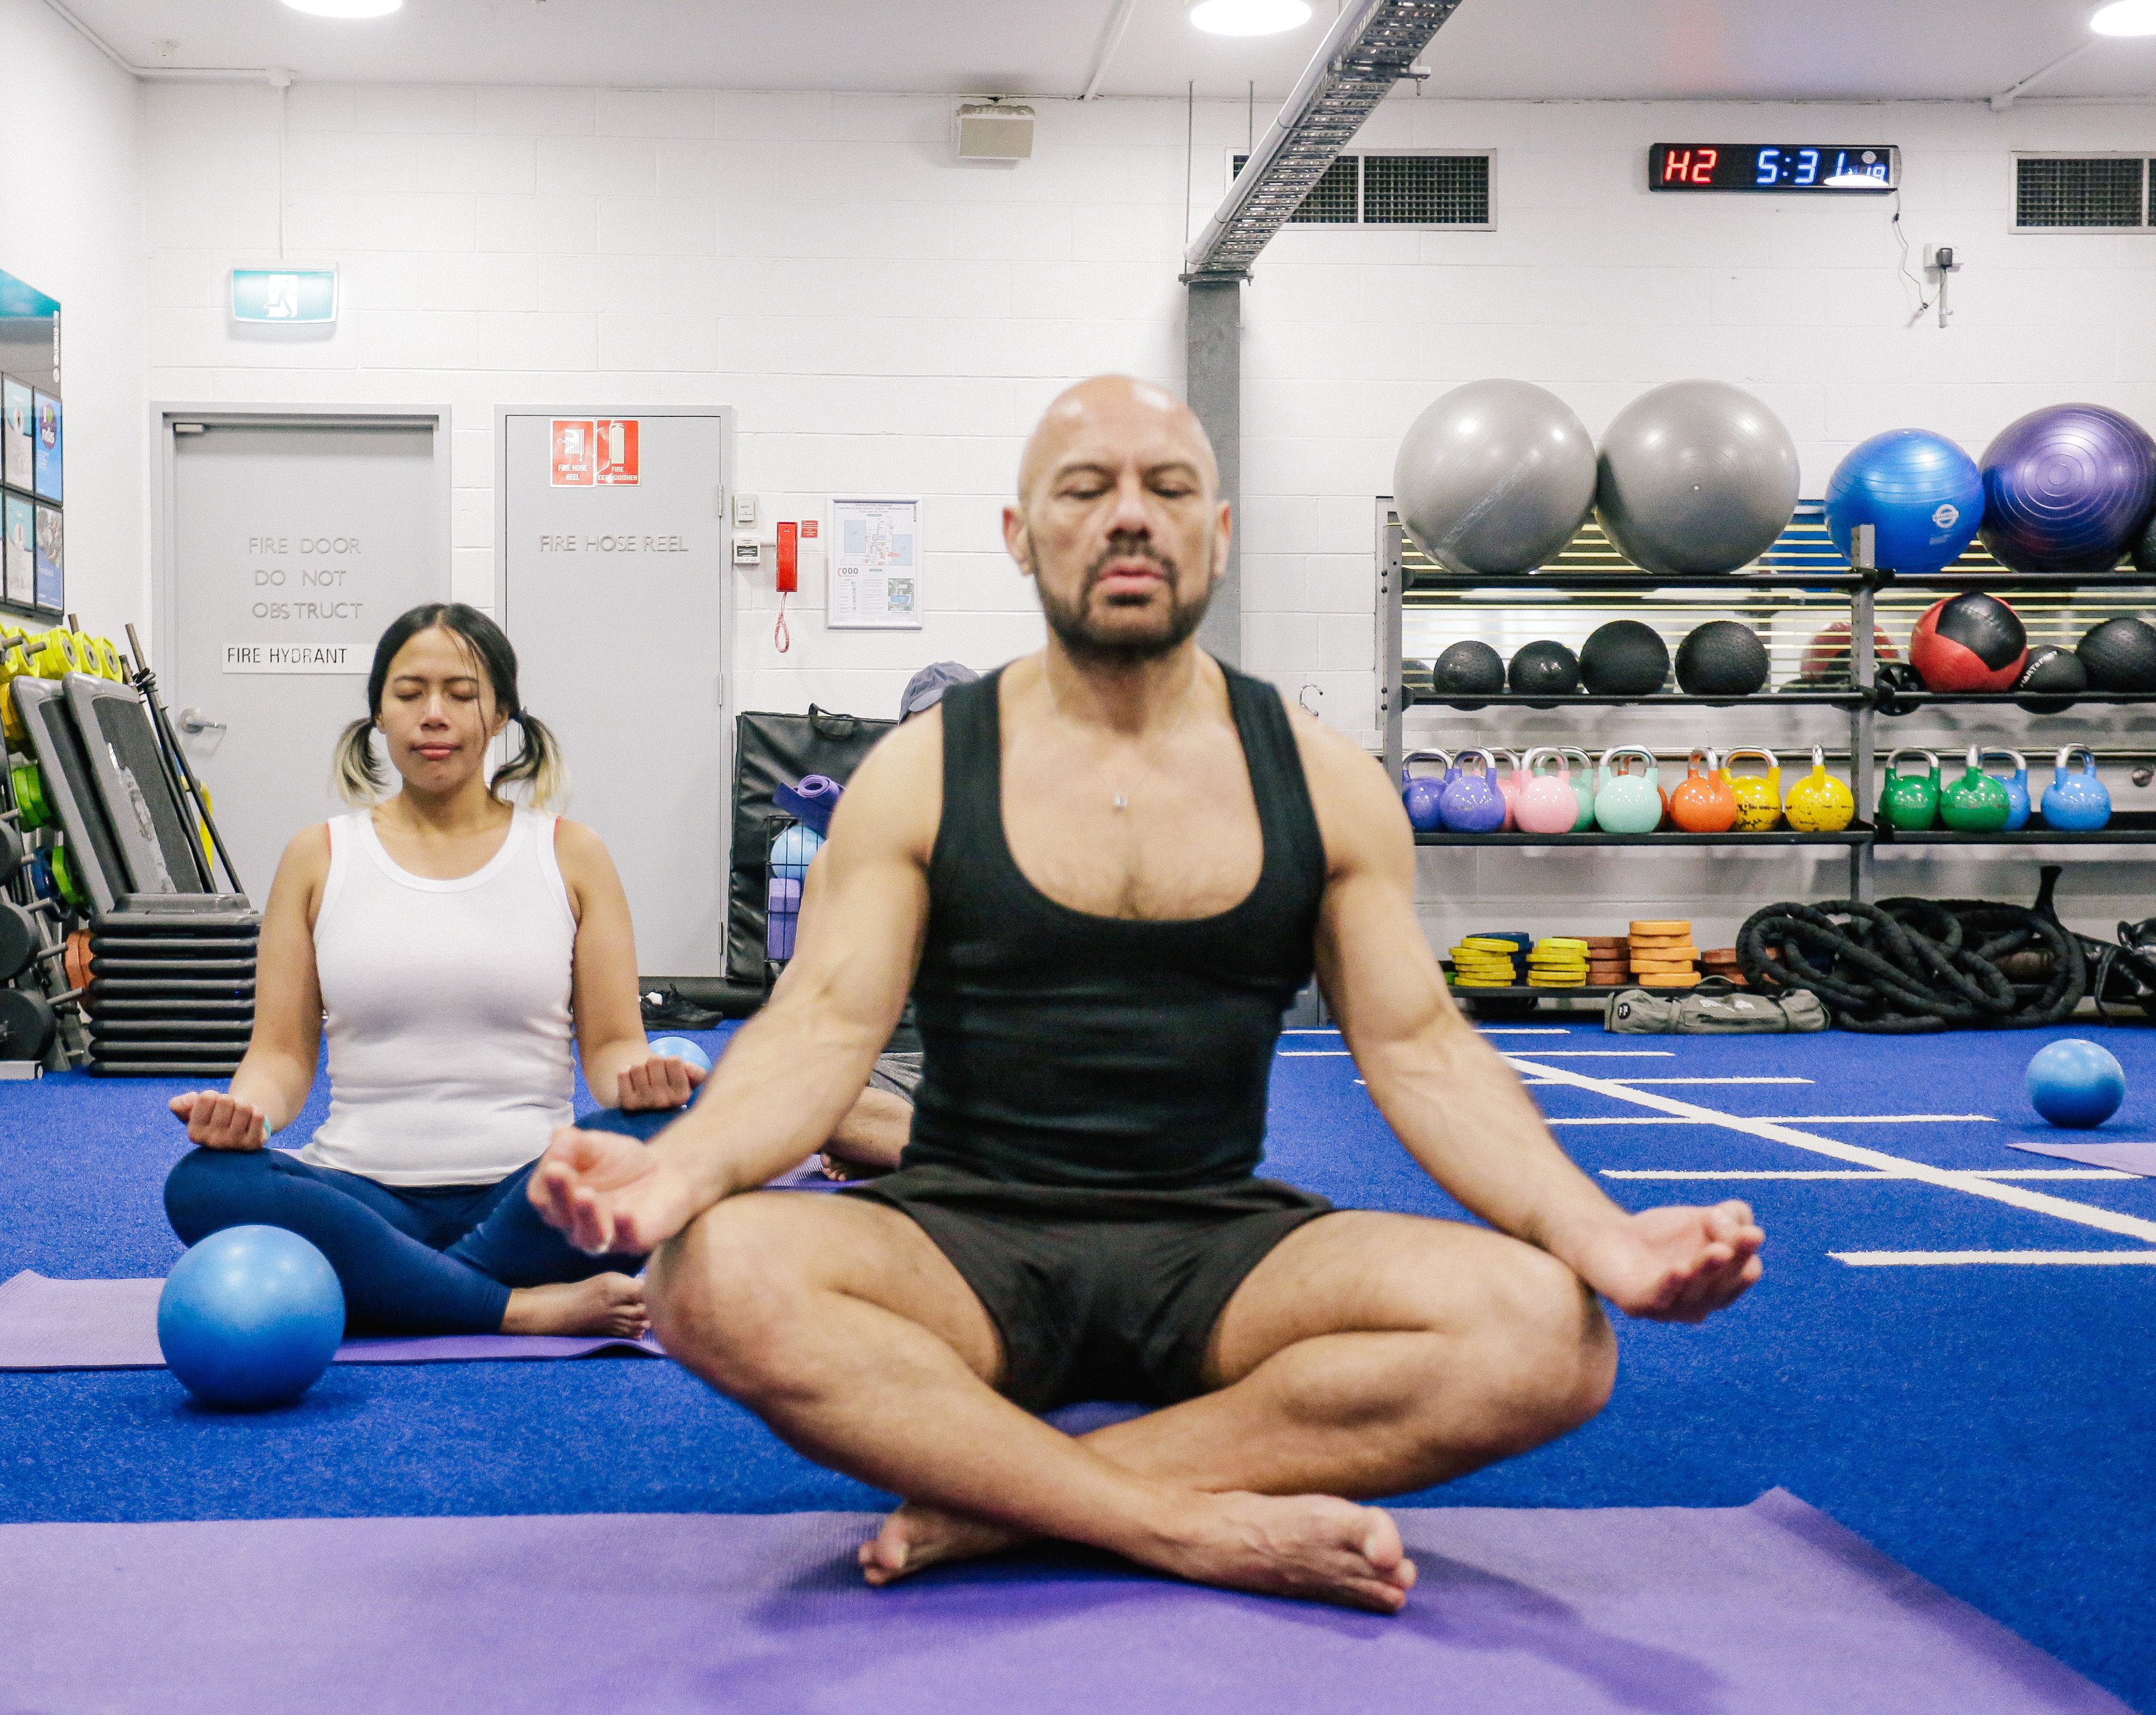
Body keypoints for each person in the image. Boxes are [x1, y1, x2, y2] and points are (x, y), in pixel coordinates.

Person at [528, 375, 1765, 1610]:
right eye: (1087, 489)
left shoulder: (1325, 781)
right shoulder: (922, 774)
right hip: (964, 1240)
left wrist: (1594, 1233)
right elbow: (821, 1028)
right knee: (710, 1277)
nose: (1132, 517)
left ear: (1218, 534)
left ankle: (1007, 1502)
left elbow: (1423, 1052)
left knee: (1552, 1337)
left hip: (1219, 1247)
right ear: (1023, 536)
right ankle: (1179, 1526)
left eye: (1169, 489)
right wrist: (682, 1176)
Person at [161, 602, 692, 1338]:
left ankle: (398, 1283)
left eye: (461, 693)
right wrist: (246, 1112)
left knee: (669, 1135)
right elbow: (280, 1055)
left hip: (532, 1194)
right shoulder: (317, 857)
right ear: (378, 712)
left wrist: (644, 1078)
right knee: (205, 1185)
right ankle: (513, 1305)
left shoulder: (572, 853)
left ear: (500, 711)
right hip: (362, 1193)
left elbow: (611, 1050)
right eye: (409, 694)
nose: (433, 715)